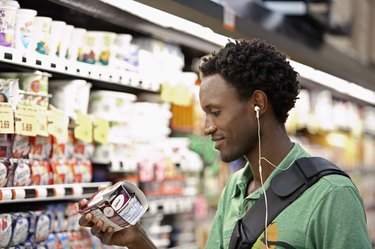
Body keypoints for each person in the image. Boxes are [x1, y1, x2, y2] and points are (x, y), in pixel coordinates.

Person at [78, 39, 372, 249]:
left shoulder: (331, 195)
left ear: (257, 103)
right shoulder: (235, 189)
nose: (207, 127)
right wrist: (137, 240)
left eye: (215, 112)